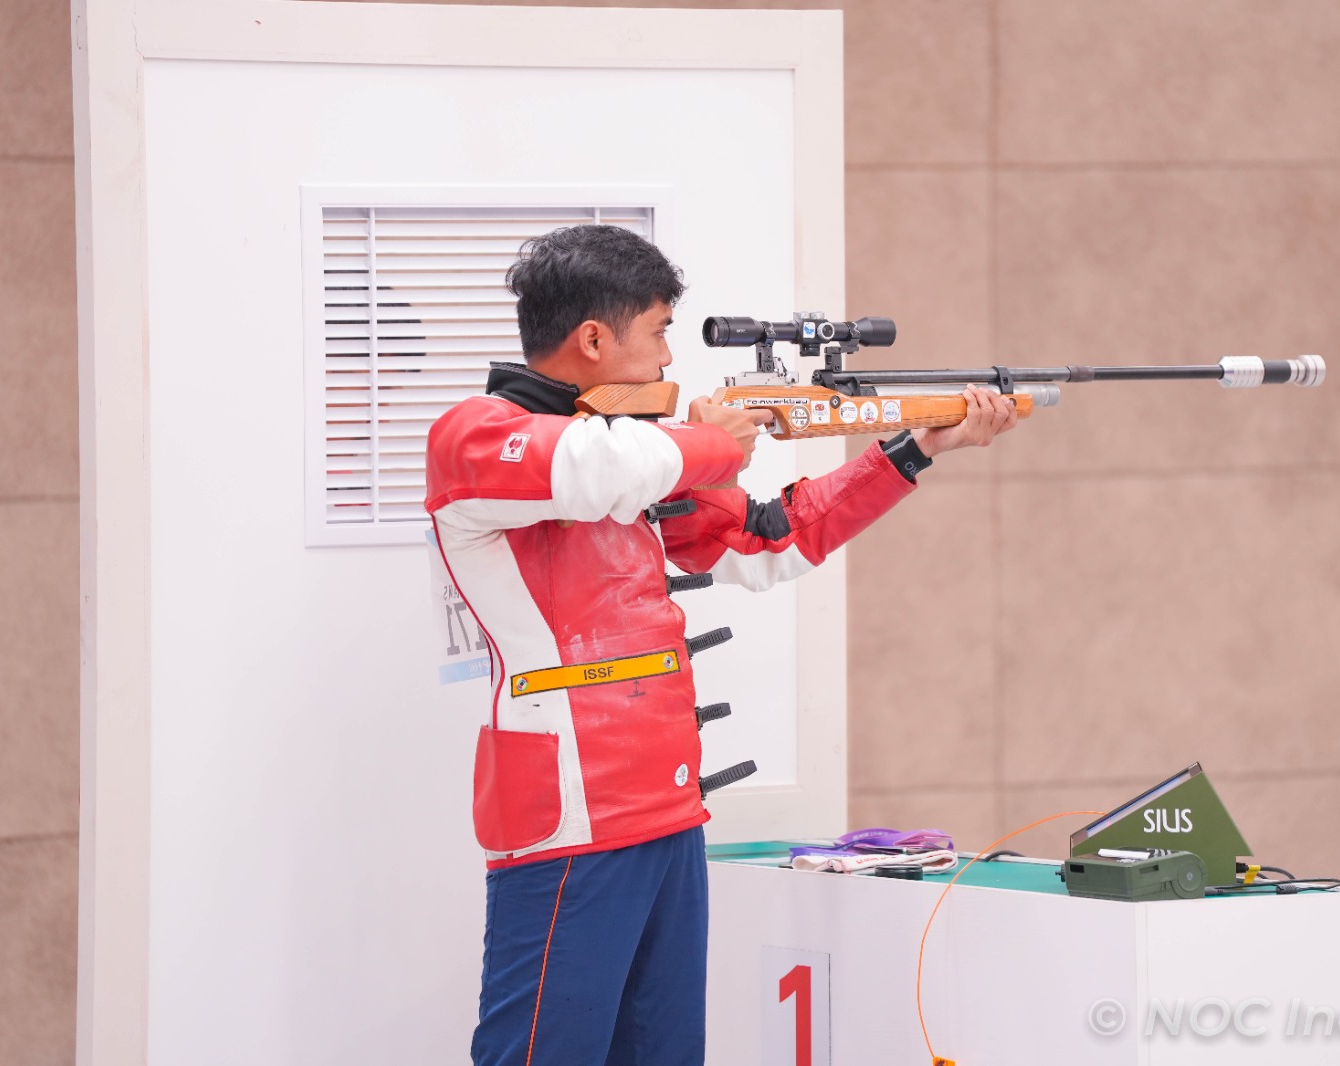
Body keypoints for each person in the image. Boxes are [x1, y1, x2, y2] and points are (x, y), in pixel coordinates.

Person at [423, 224, 1016, 1066]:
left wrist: (916, 447)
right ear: (594, 339)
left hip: (666, 809)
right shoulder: (480, 435)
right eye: (659, 331)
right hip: (570, 816)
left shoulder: (637, 457)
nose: (669, 358)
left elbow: (772, 540)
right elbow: (588, 470)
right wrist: (717, 441)